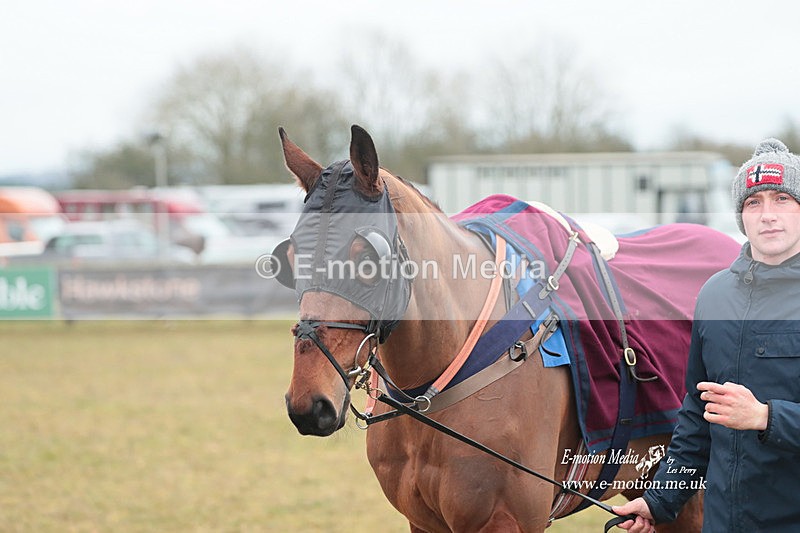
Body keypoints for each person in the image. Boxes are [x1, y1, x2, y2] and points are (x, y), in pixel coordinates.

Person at [613, 138, 800, 532]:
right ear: (741, 216)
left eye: (782, 199)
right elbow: (698, 416)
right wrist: (660, 500)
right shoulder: (714, 295)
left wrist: (766, 417)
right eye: (754, 202)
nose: (768, 215)